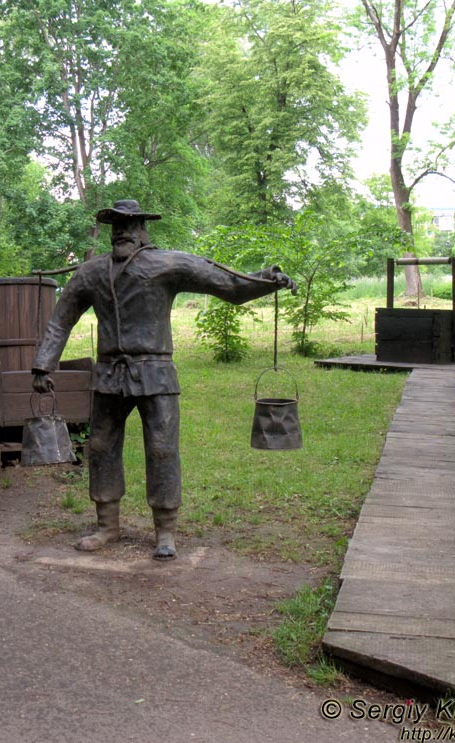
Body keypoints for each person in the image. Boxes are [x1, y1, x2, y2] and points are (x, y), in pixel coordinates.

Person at [32, 200, 295, 561]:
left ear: (143, 229)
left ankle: (165, 531)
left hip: (156, 372)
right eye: (116, 225)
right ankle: (107, 525)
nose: (123, 231)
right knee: (101, 446)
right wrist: (43, 365)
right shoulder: (90, 273)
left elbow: (228, 285)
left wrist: (266, 279)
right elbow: (61, 320)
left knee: (162, 447)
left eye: (130, 224)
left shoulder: (166, 263)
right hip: (109, 374)